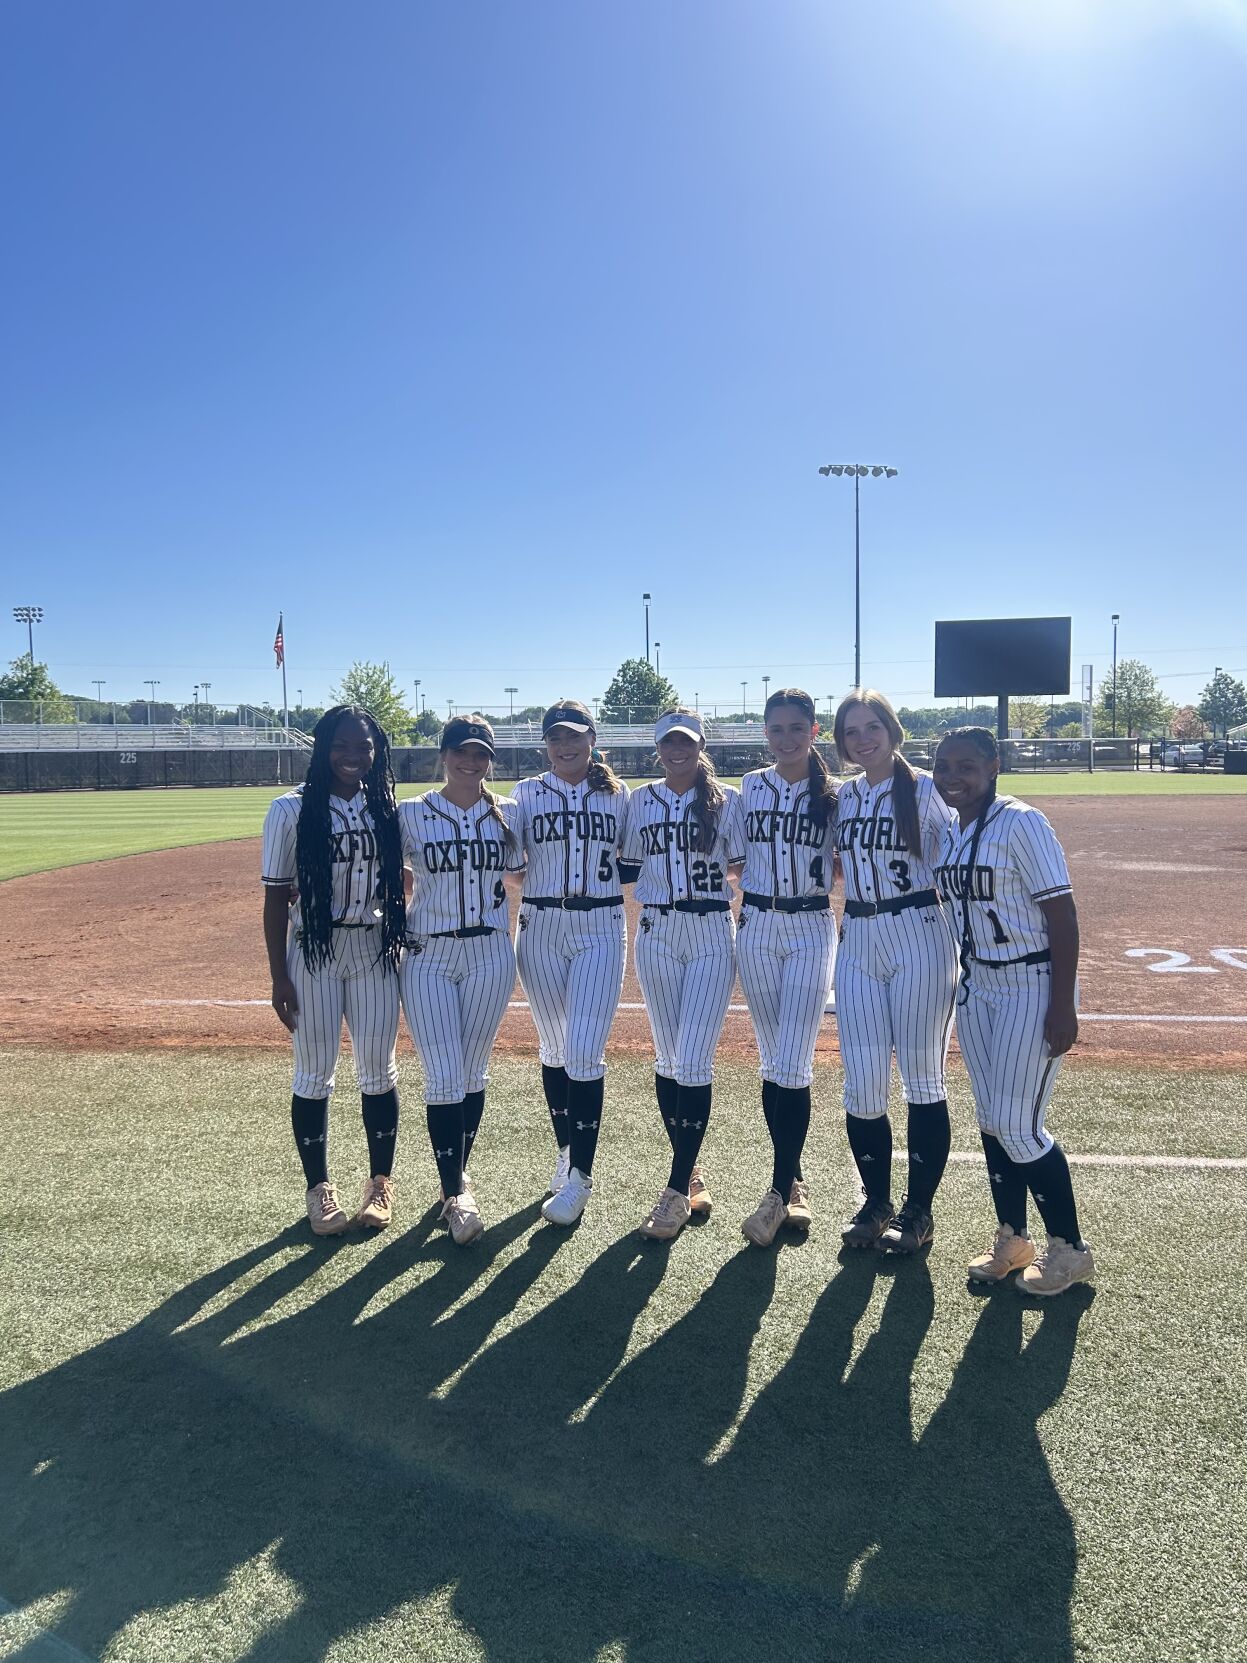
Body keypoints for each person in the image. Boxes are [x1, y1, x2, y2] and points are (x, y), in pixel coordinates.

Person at [932, 727, 1095, 1295]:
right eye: (943, 764)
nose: (953, 775)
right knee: (992, 1123)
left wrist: (1062, 1006)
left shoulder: (1022, 822)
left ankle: (1070, 1250)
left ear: (994, 765)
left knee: (1019, 1126)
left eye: (967, 765)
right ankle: (1013, 1238)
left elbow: (1063, 916)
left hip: (1031, 981)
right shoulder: (955, 829)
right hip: (979, 986)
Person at [261, 705, 406, 1235]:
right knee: (313, 1072)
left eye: (364, 747)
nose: (353, 756)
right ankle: (319, 1187)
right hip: (314, 953)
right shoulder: (289, 809)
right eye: (342, 746)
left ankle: (380, 1183)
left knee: (377, 1070)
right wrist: (278, 975)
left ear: (377, 751)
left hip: (372, 948)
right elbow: (276, 898)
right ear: (322, 747)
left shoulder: (384, 805)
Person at [832, 689, 959, 1254]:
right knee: (861, 1083)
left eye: (872, 725)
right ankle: (877, 1200)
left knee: (922, 1078)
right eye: (852, 730)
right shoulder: (843, 798)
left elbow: (959, 863)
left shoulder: (929, 789)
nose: (863, 737)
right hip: (858, 936)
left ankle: (919, 1211)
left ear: (893, 729)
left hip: (918, 934)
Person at [618, 709, 746, 1240]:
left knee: (693, 1059)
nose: (677, 751)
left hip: (712, 929)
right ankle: (690, 1170)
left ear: (699, 746)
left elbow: (739, 863)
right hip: (657, 932)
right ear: (657, 748)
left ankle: (673, 1190)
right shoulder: (639, 801)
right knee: (669, 1057)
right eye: (668, 743)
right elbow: (627, 864)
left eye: (686, 742)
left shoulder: (727, 800)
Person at [398, 716, 523, 1247]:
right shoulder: (410, 814)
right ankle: (457, 1193)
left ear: (489, 760)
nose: (469, 762)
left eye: (479, 754)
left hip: (491, 952)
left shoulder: (508, 814)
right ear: (443, 754)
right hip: (429, 953)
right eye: (460, 752)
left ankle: (455, 1178)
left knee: (473, 1072)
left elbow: (519, 873)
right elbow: (386, 871)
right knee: (445, 1074)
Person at [511, 699, 630, 1225]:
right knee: (554, 1046)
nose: (566, 745)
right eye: (557, 737)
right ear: (545, 744)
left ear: (592, 740)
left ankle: (581, 1176)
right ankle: (564, 1152)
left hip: (601, 924)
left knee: (584, 1049)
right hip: (540, 925)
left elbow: (631, 862)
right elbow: (513, 868)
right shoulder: (525, 794)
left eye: (576, 736)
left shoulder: (619, 795)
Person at [735, 688, 838, 1246]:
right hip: (755, 923)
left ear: (814, 732)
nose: (787, 738)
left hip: (809, 925)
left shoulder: (835, 793)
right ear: (766, 733)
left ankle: (778, 1190)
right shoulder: (750, 787)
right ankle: (793, 1178)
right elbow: (727, 855)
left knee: (794, 1058)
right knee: (773, 1056)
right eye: (777, 729)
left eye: (797, 728)